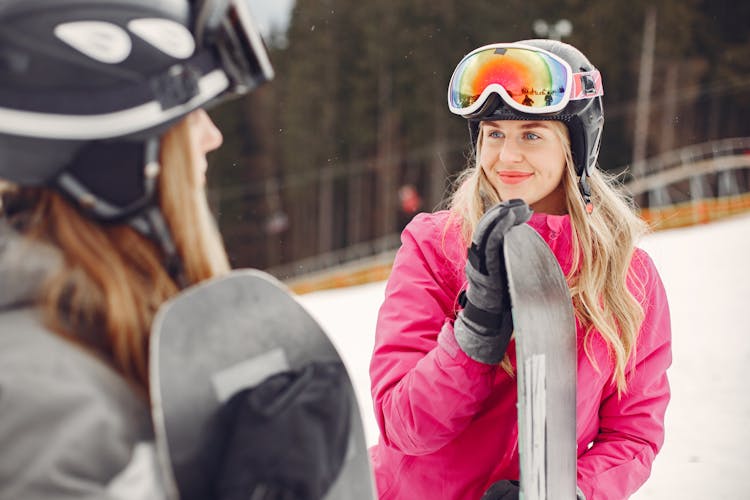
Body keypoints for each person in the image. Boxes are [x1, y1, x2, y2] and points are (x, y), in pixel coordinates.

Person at [0, 0, 299, 498]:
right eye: (189, 115)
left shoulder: (90, 337)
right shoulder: (39, 400)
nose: (211, 136)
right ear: (116, 160)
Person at [369, 40, 672, 499]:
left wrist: (572, 492)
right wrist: (474, 334)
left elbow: (633, 434)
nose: (506, 157)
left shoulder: (628, 277)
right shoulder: (434, 247)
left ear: (577, 145)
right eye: (494, 133)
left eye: (531, 134)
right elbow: (404, 427)